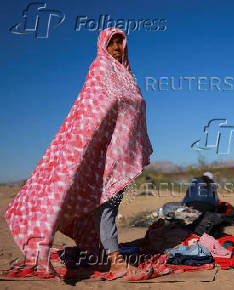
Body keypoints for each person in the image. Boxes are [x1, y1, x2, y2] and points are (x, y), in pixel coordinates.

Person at [4, 27, 153, 274]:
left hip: (122, 155)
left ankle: (100, 253)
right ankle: (116, 261)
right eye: (112, 43)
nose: (117, 48)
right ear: (102, 46)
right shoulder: (100, 70)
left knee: (110, 206)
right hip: (99, 153)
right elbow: (89, 110)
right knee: (106, 206)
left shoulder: (127, 76)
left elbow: (132, 109)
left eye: (120, 43)